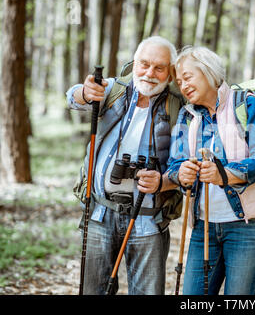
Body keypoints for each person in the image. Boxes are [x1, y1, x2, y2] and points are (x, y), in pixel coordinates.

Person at [162, 46, 255, 295]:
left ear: (209, 72)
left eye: (188, 77)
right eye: (179, 81)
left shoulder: (250, 104)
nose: (183, 85)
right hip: (204, 227)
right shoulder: (187, 117)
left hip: (248, 227)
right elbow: (174, 163)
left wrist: (225, 174)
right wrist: (181, 172)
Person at [66, 36, 185, 295]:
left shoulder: (179, 107)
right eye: (144, 64)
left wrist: (163, 181)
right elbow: (73, 98)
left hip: (149, 218)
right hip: (100, 211)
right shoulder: (114, 89)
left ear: (171, 73)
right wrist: (85, 92)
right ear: (134, 62)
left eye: (159, 67)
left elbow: (186, 168)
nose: (149, 73)